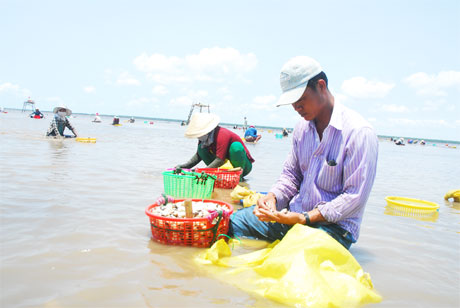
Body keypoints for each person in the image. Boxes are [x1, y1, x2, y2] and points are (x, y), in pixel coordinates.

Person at [229, 56, 379, 249]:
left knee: (294, 258)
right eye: (292, 102)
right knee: (230, 223)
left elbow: (354, 197)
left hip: (333, 230)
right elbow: (290, 176)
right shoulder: (301, 129)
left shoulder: (359, 133)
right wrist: (272, 198)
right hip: (292, 216)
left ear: (321, 86)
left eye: (300, 99)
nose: (296, 107)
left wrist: (305, 218)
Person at [176, 113, 255, 178]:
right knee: (201, 149)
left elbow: (219, 160)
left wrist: (201, 171)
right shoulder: (204, 139)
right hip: (225, 166)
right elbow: (199, 155)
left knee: (236, 147)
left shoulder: (222, 134)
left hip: (243, 166)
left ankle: (238, 177)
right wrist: (184, 167)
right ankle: (217, 175)